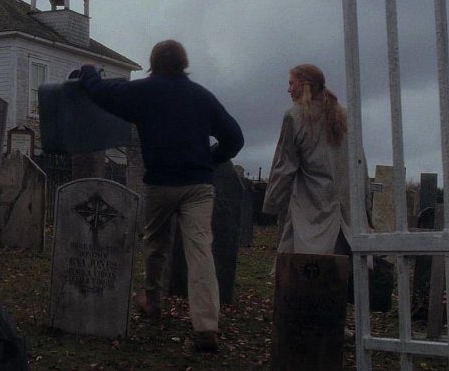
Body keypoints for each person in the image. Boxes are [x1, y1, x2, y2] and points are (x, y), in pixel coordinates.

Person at [78, 39, 244, 352]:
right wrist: (211, 159)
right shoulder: (202, 96)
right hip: (198, 186)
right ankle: (206, 325)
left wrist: (88, 71)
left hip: (160, 184)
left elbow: (102, 93)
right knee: (200, 251)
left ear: (153, 64)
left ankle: (152, 301)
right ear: (183, 64)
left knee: (156, 243)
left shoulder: (144, 91)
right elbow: (235, 137)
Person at [262, 63, 367, 255]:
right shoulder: (346, 116)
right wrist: (365, 205)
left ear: (305, 85)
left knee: (303, 265)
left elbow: (284, 166)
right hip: (345, 209)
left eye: (291, 83)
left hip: (310, 208)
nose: (288, 89)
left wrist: (272, 203)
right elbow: (361, 163)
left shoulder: (294, 116)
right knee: (341, 267)